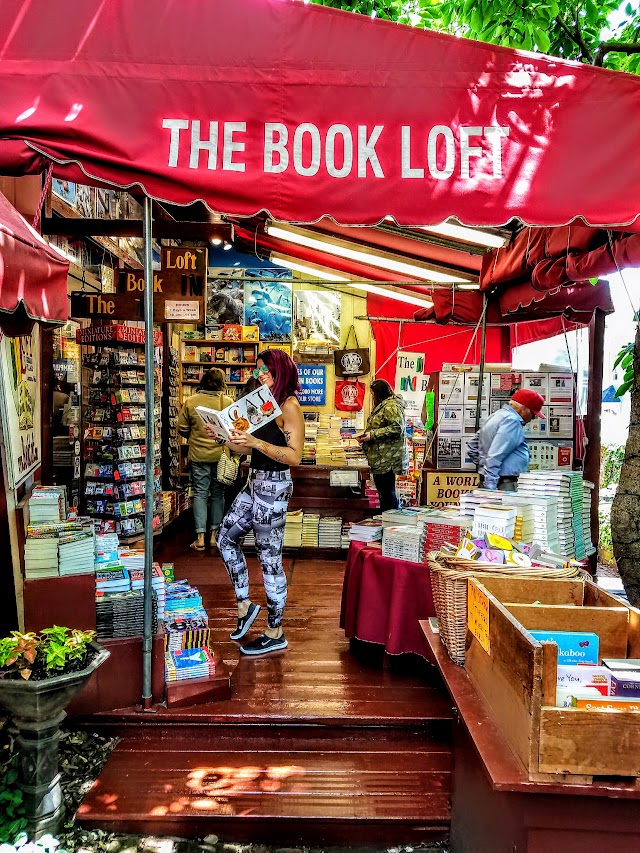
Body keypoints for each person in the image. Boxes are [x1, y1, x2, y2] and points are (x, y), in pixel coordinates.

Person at [215, 349, 304, 656]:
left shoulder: (289, 406)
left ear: (280, 370)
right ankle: (245, 605)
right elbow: (242, 449)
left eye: (266, 369)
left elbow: (294, 456)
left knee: (269, 559)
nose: (260, 374)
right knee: (225, 539)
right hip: (253, 481)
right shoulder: (261, 403)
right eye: (258, 369)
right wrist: (221, 435)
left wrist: (255, 443)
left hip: (274, 486)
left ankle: (275, 631)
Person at [178, 367, 233, 551]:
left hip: (198, 455)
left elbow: (182, 428)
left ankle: (200, 537)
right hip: (221, 456)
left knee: (200, 493)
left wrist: (194, 435)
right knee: (218, 494)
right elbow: (234, 431)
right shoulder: (228, 402)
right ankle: (214, 536)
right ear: (222, 383)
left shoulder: (191, 402)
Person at [467, 388, 545, 491]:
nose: (532, 418)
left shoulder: (496, 415)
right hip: (504, 485)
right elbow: (494, 456)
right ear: (524, 408)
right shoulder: (512, 421)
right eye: (533, 414)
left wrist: (483, 466)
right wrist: (490, 489)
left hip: (495, 482)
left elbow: (472, 447)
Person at [355, 379, 408, 512]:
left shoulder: (391, 406)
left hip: (387, 458)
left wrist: (372, 435)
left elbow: (397, 428)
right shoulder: (385, 405)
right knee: (384, 493)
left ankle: (391, 521)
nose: (372, 397)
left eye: (373, 394)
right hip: (381, 457)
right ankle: (388, 519)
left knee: (387, 493)